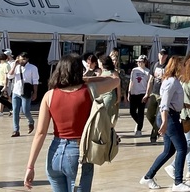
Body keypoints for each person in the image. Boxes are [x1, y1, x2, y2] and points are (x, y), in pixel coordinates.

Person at [23, 53, 118, 192]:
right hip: (78, 153)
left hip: (54, 153)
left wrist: (30, 167)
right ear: (79, 70)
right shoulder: (89, 91)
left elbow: (40, 133)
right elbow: (115, 80)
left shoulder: (49, 95)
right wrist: (86, 79)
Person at [140, 56, 190, 191]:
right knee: (182, 148)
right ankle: (178, 183)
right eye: (183, 65)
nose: (185, 67)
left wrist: (187, 105)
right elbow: (164, 104)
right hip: (169, 117)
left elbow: (172, 101)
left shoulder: (173, 81)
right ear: (177, 66)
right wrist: (164, 122)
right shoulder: (171, 82)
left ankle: (148, 177)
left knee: (169, 151)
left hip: (170, 116)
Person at [8, 53, 39, 138]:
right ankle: (16, 130)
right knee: (15, 111)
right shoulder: (16, 66)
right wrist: (14, 65)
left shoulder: (33, 68)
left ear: (27, 59)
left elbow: (35, 81)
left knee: (25, 110)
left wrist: (35, 92)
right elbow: (9, 76)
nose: (21, 61)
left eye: (23, 59)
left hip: (26, 91)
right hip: (16, 91)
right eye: (20, 59)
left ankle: (31, 121)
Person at [145, 49, 170, 143]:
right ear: (158, 55)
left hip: (163, 95)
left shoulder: (168, 67)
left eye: (164, 55)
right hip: (154, 93)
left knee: (158, 116)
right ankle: (159, 129)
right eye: (161, 54)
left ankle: (153, 135)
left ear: (167, 56)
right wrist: (147, 94)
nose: (162, 56)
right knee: (149, 115)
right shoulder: (154, 65)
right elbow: (150, 80)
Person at [128, 55, 150, 137]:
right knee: (132, 111)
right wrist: (129, 92)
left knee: (141, 112)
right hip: (134, 93)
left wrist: (147, 94)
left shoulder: (148, 71)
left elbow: (149, 84)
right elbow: (131, 81)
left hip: (142, 94)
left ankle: (139, 129)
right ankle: (139, 123)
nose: (139, 63)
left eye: (140, 62)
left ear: (144, 62)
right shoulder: (134, 70)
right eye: (138, 62)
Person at [0, 52, 12, 117]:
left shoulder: (6, 65)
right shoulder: (0, 64)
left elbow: (6, 76)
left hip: (2, 84)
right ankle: (10, 106)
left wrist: (5, 85)